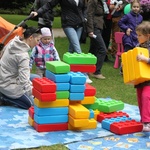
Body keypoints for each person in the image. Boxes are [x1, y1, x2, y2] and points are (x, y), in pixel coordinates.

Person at [30, 0, 93, 83]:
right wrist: (38, 12)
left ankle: (68, 72)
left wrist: (84, 18)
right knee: (77, 48)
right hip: (68, 24)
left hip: (80, 24)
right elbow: (49, 4)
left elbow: (84, 7)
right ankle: (84, 74)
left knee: (71, 50)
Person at [0, 27, 41, 109]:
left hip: (5, 76)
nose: (38, 43)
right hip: (7, 85)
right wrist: (35, 94)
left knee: (37, 78)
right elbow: (24, 81)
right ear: (31, 38)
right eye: (38, 40)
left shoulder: (14, 41)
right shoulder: (23, 56)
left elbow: (2, 54)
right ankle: (3, 97)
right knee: (32, 105)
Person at [135, 21, 150, 132]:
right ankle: (143, 120)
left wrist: (146, 59)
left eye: (139, 35)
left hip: (149, 79)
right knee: (140, 98)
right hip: (140, 79)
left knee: (146, 97)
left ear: (147, 36)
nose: (137, 37)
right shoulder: (138, 47)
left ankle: (147, 122)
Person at [86, 0, 107, 79]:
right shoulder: (93, 1)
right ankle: (96, 71)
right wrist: (90, 30)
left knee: (93, 49)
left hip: (99, 26)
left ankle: (88, 69)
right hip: (95, 28)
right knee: (102, 49)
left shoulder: (100, 1)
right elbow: (89, 15)